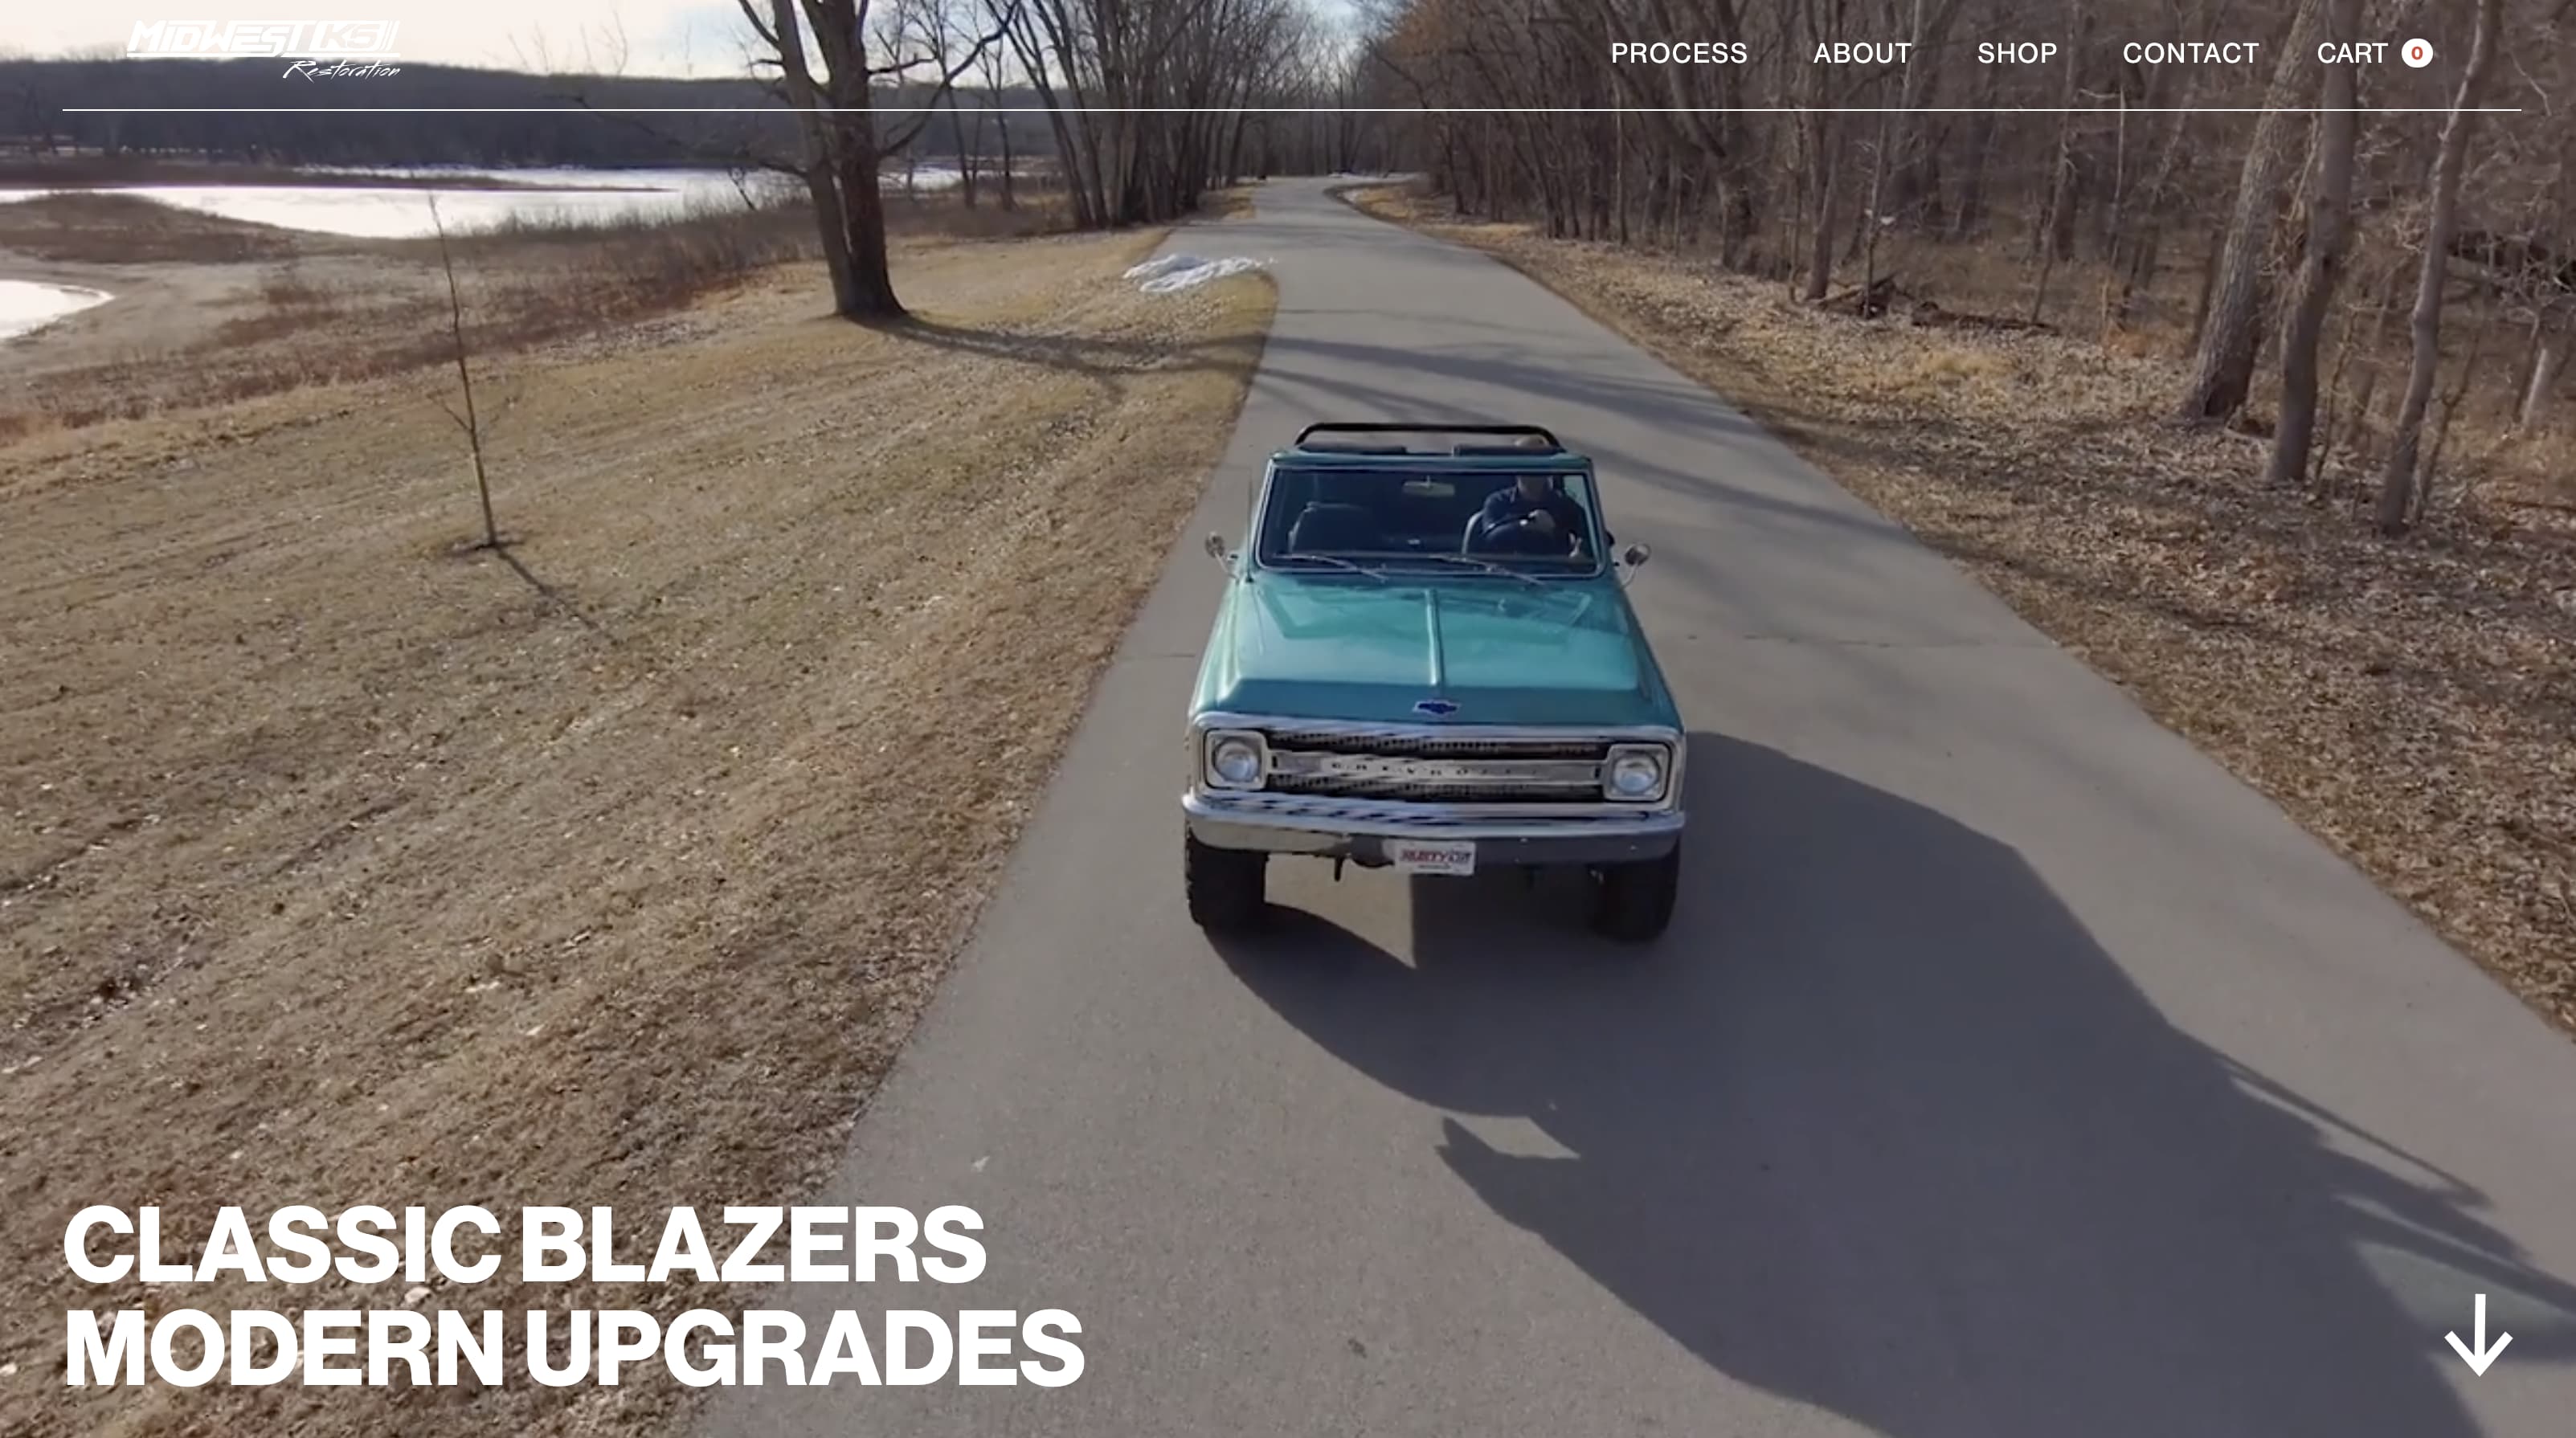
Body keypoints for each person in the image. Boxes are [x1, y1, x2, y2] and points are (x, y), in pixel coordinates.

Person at [1470, 472, 1590, 556]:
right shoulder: (1499, 502)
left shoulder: (1564, 505)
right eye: (1527, 472)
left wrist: (1581, 552)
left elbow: (1591, 538)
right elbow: (1488, 539)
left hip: (1554, 572)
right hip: (1506, 571)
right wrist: (1523, 525)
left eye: (1539, 471)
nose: (1533, 477)